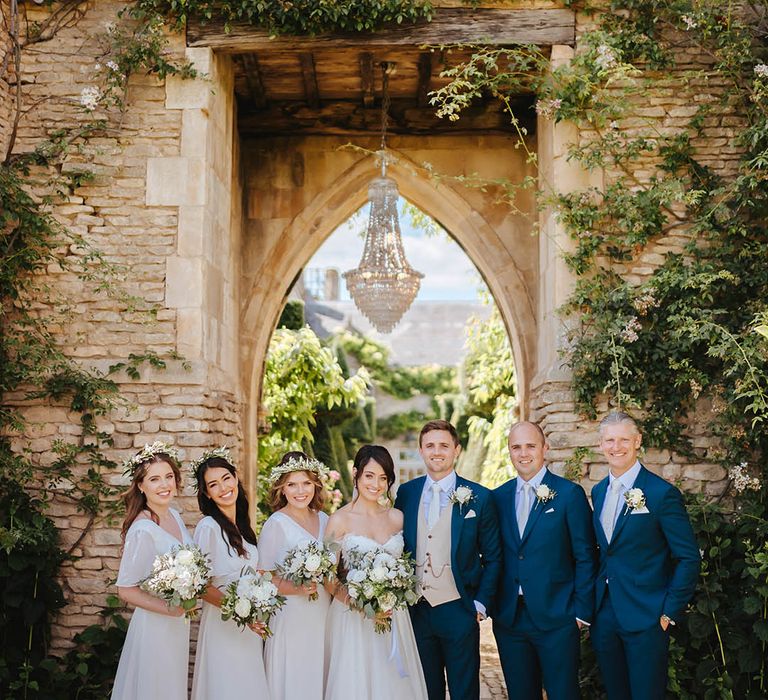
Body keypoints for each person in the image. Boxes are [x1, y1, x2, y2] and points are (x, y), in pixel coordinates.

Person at [591, 411, 700, 699]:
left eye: (624, 439)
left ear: (638, 441)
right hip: (606, 615)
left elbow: (688, 557)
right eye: (610, 440)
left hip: (648, 617)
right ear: (600, 444)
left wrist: (668, 612)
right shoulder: (599, 491)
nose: (617, 447)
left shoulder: (661, 493)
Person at [394, 419, 502, 700]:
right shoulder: (406, 493)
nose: (437, 451)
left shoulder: (480, 497)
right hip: (417, 609)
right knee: (424, 691)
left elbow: (493, 557)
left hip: (459, 608)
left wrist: (480, 603)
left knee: (464, 690)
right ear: (421, 450)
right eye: (430, 445)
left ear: (457, 450)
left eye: (444, 445)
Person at [491, 421, 596, 700]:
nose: (523, 453)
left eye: (530, 446)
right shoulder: (497, 497)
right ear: (509, 452)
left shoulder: (569, 494)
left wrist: (580, 613)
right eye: (516, 447)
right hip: (510, 619)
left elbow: (586, 555)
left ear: (544, 449)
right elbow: (492, 555)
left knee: (564, 694)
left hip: (558, 618)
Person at [324, 444, 428, 700]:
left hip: (394, 616)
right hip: (353, 617)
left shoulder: (397, 518)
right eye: (369, 475)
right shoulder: (338, 520)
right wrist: (360, 605)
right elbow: (326, 577)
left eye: (383, 478)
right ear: (356, 474)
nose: (376, 484)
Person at [111, 442, 193, 700]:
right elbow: (125, 589)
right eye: (154, 479)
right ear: (140, 486)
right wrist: (169, 609)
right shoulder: (142, 529)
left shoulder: (174, 516)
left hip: (177, 624)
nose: (164, 484)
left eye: (169, 477)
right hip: (155, 625)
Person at [190, 447, 270, 700]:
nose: (224, 488)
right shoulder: (208, 527)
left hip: (250, 628)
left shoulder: (244, 526)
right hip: (223, 625)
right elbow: (200, 586)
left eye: (226, 478)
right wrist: (238, 609)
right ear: (207, 494)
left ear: (235, 477)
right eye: (214, 485)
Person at [258, 451, 331, 700]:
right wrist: (296, 588)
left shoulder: (324, 519)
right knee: (295, 676)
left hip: (323, 612)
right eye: (292, 484)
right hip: (292, 615)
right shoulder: (276, 524)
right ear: (282, 488)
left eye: (306, 483)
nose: (300, 491)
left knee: (320, 673)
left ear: (315, 485)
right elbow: (263, 576)